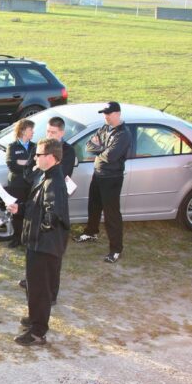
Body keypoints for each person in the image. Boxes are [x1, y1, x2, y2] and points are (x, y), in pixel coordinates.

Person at [7, 139, 70, 346]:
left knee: (41, 290)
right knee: (34, 286)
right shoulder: (47, 177)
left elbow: (53, 214)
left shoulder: (55, 182)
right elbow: (38, 207)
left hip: (44, 246)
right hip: (39, 244)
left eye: (39, 155)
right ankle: (35, 318)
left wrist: (41, 231)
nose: (35, 158)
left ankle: (38, 332)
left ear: (51, 157)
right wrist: (21, 209)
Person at [18, 116, 76, 302]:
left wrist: (40, 231)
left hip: (48, 233)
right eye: (48, 131)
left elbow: (52, 215)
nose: (49, 135)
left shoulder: (65, 156)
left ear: (61, 133)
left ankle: (50, 295)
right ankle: (33, 283)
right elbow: (28, 172)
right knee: (36, 263)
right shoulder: (41, 149)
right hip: (37, 198)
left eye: (53, 132)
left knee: (50, 262)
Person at [74, 101, 131, 263]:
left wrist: (101, 150)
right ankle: (91, 232)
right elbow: (88, 146)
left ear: (118, 114)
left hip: (112, 178)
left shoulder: (123, 134)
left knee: (111, 214)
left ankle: (116, 249)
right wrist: (103, 150)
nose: (106, 116)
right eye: (104, 113)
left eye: (109, 113)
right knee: (94, 206)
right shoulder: (105, 128)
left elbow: (111, 156)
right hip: (98, 174)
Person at [4, 118, 36, 248]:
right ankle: (17, 237)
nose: (33, 132)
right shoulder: (12, 146)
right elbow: (12, 165)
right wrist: (29, 162)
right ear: (23, 131)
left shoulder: (35, 146)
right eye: (30, 130)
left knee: (30, 211)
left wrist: (23, 162)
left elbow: (37, 164)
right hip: (16, 185)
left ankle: (27, 238)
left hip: (31, 185)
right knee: (16, 212)